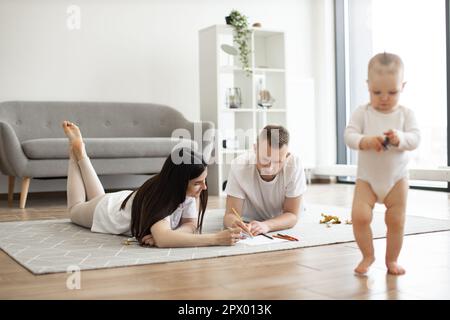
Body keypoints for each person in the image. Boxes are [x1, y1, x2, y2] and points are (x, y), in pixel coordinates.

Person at [62, 121, 242, 248]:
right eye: (197, 183)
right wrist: (216, 238)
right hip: (105, 211)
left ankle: (81, 153)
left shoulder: (186, 192)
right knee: (75, 209)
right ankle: (74, 151)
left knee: (98, 198)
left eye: (204, 181)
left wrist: (174, 235)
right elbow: (164, 240)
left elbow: (190, 223)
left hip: (121, 201)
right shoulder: (161, 200)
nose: (204, 188)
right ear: (179, 183)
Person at [344, 52, 420, 275]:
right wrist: (365, 141)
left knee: (396, 220)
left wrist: (400, 138)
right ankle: (368, 255)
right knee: (360, 216)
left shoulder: (406, 114)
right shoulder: (363, 112)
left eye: (392, 92)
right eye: (377, 92)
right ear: (368, 86)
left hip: (397, 179)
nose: (384, 98)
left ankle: (392, 260)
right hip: (367, 179)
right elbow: (349, 136)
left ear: (402, 86)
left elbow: (415, 139)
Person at [223, 125, 307, 236]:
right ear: (255, 149)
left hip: (281, 216)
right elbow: (230, 214)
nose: (270, 168)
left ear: (287, 155)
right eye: (265, 159)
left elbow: (292, 214)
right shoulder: (239, 166)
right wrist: (236, 224)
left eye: (278, 161)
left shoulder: (294, 165)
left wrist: (266, 225)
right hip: (249, 218)